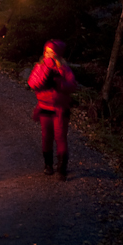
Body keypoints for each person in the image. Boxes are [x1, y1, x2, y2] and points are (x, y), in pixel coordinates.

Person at [27, 40, 78, 181]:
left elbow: (72, 85)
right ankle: (48, 164)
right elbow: (33, 83)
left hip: (60, 109)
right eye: (46, 52)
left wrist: (58, 82)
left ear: (58, 55)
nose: (48, 55)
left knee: (60, 137)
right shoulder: (40, 66)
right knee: (46, 137)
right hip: (44, 107)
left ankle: (62, 168)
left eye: (52, 52)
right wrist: (46, 74)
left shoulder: (64, 69)